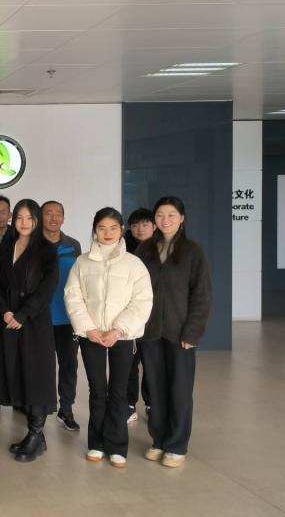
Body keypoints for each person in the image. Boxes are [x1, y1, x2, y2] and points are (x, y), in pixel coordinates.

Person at [65, 207, 153, 468]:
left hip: (122, 336)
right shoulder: (82, 263)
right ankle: (96, 443)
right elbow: (73, 297)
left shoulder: (134, 264)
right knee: (96, 390)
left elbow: (142, 301)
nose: (107, 233)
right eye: (102, 228)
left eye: (113, 228)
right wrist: (88, 328)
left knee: (118, 391)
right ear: (94, 230)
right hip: (91, 335)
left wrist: (119, 330)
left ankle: (117, 446)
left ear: (122, 230)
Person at [135, 196, 213, 468]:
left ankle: (177, 445)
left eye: (171, 215)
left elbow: (202, 295)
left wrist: (192, 333)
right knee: (155, 389)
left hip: (180, 334)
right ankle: (158, 440)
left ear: (182, 219)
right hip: (150, 332)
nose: (165, 220)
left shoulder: (193, 251)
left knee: (179, 389)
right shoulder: (144, 250)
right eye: (160, 215)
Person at [0, 199, 58, 463]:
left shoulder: (47, 250)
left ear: (37, 220)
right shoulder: (2, 249)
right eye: (19, 218)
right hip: (7, 321)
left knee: (34, 374)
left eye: (29, 218)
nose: (24, 223)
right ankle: (35, 435)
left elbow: (48, 287)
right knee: (15, 372)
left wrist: (24, 313)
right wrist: (4, 310)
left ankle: (36, 433)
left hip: (33, 322)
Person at [41, 200, 83, 433]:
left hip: (68, 318)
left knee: (69, 365)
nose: (53, 217)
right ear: (41, 217)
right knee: (42, 366)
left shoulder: (73, 245)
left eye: (58, 213)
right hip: (41, 318)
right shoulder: (32, 245)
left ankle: (66, 409)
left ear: (63, 218)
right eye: (49, 213)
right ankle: (39, 409)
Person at [124, 207, 155, 422]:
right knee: (129, 364)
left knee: (151, 363)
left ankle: (152, 403)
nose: (140, 229)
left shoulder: (161, 248)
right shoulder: (123, 248)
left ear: (154, 227)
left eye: (145, 224)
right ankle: (129, 403)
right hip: (129, 316)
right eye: (135, 225)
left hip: (153, 317)